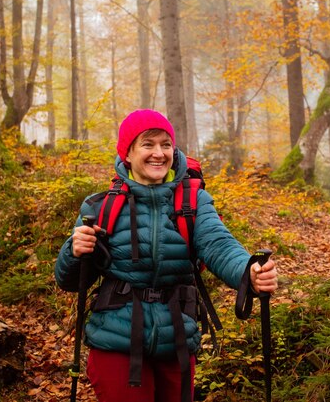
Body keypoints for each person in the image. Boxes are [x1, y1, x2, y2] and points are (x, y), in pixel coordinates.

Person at [55, 109, 278, 402]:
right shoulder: (100, 206)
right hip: (117, 342)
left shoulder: (192, 200)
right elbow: (69, 280)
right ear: (128, 153)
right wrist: (74, 251)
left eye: (165, 144)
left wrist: (248, 272)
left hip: (177, 342)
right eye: (147, 144)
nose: (158, 153)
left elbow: (218, 244)